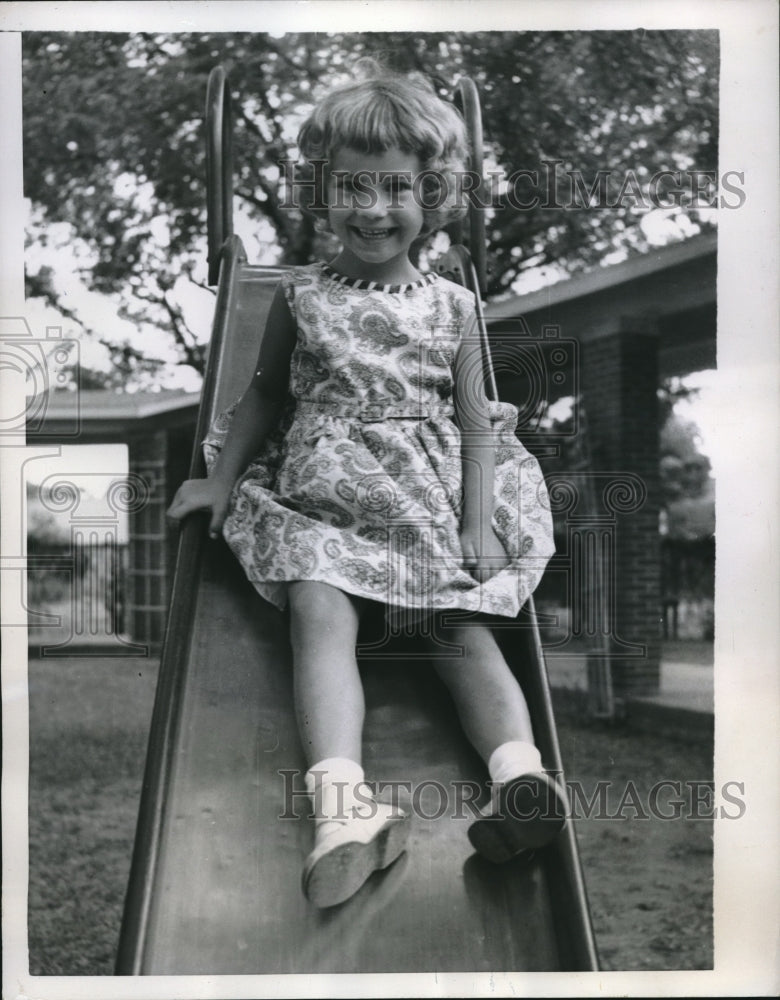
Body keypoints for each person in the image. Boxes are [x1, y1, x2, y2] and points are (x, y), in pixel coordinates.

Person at [167, 61, 567, 909]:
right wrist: (215, 479)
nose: (371, 207)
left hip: (422, 502)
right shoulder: (304, 299)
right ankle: (343, 813)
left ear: (432, 198)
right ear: (321, 191)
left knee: (454, 629)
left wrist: (478, 520)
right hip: (320, 503)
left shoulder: (455, 307)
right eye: (350, 186)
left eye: (394, 189)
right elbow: (265, 394)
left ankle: (520, 780)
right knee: (319, 610)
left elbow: (473, 422)